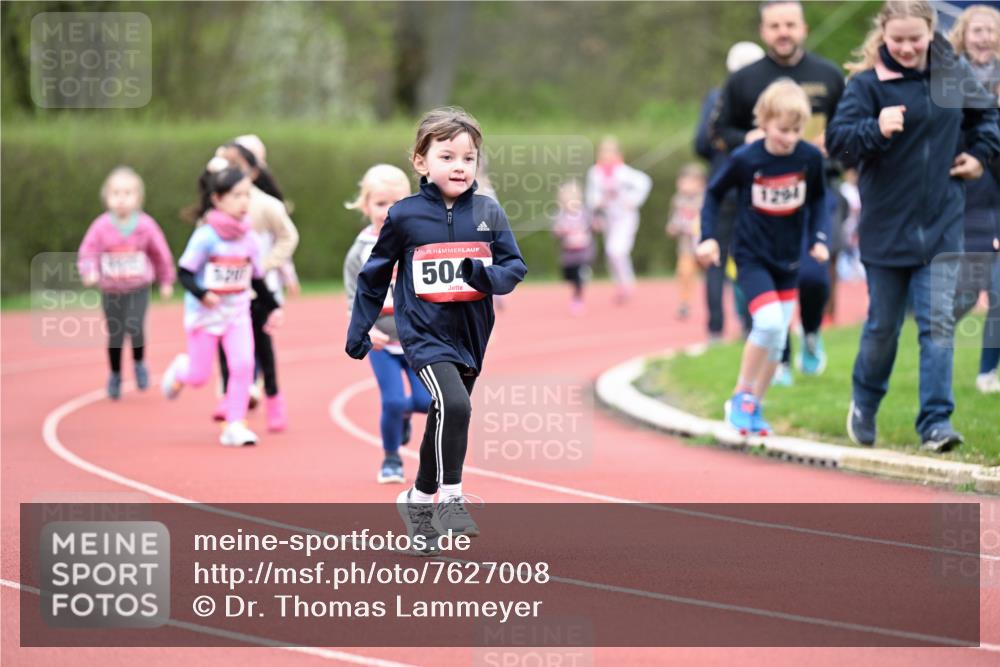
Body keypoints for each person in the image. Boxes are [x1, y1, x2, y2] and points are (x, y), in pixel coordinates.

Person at [346, 107, 526, 554]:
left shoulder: (488, 211)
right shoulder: (405, 216)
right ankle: (450, 498)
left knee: (445, 415)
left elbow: (514, 267)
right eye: (447, 157)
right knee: (456, 406)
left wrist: (484, 276)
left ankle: (417, 501)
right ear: (421, 162)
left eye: (469, 158)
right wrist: (359, 328)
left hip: (471, 333)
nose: (460, 166)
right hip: (423, 332)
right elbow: (373, 275)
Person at [827, 0, 1000, 451]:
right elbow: (838, 145)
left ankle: (936, 423)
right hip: (886, 229)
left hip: (942, 224)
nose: (906, 48)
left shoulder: (952, 75)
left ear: (931, 34)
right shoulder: (867, 85)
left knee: (937, 326)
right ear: (883, 36)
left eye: (915, 39)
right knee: (883, 328)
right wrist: (875, 129)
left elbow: (988, 116)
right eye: (897, 40)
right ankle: (865, 402)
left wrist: (979, 155)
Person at [711, 0, 846, 378]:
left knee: (814, 274)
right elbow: (717, 132)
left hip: (816, 187)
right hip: (763, 194)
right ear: (763, 31)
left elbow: (850, 129)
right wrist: (748, 138)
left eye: (790, 24)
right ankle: (780, 357)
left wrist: (833, 144)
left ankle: (812, 332)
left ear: (803, 28)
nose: (783, 32)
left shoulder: (828, 75)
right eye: (775, 26)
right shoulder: (744, 80)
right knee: (773, 275)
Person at [697, 79, 830, 436]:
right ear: (765, 123)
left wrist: (819, 237)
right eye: (783, 130)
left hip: (789, 259)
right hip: (752, 257)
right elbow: (713, 194)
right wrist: (708, 238)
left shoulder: (809, 158)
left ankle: (755, 405)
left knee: (778, 341)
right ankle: (740, 396)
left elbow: (820, 199)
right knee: (769, 324)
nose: (790, 138)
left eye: (797, 131)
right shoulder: (746, 159)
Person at [161, 158, 283, 447]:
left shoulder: (250, 238)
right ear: (217, 199)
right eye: (236, 196)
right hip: (205, 316)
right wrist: (203, 293)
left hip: (236, 314)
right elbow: (185, 273)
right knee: (199, 376)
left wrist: (274, 307)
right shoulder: (206, 236)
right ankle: (181, 369)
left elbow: (256, 279)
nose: (244, 202)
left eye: (247, 195)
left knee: (243, 365)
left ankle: (234, 425)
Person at [344, 164, 433, 483]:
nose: (387, 211)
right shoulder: (360, 251)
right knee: (392, 400)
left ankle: (405, 414)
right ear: (366, 205)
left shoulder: (418, 240)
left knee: (427, 401)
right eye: (380, 203)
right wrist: (366, 330)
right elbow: (353, 298)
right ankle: (391, 458)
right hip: (381, 342)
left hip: (416, 339)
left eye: (396, 203)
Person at [213, 139, 299, 431]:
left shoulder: (265, 205)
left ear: (252, 172)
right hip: (226, 292)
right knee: (226, 346)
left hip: (259, 291)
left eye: (235, 165)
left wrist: (266, 265)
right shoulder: (214, 209)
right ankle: (228, 398)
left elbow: (288, 236)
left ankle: (273, 399)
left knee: (262, 347)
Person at [78, 167, 175, 399]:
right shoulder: (101, 226)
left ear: (138, 198)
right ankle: (115, 374)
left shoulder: (146, 226)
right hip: (111, 290)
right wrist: (89, 271)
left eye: (127, 193)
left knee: (136, 326)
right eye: (116, 193)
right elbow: (88, 252)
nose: (121, 199)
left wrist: (166, 280)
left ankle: (139, 362)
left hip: (138, 288)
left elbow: (160, 254)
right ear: (107, 197)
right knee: (115, 333)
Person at [695, 40, 766, 340]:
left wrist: (721, 154)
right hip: (754, 187)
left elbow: (700, 144)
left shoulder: (716, 97)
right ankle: (752, 324)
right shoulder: (766, 100)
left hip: (723, 185)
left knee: (715, 258)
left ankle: (715, 328)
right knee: (751, 256)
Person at [950, 4, 1000, 394]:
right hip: (963, 196)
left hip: (996, 196)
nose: (984, 37)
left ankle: (987, 372)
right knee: (964, 294)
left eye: (990, 30)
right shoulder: (947, 81)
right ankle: (934, 346)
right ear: (963, 36)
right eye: (976, 30)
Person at [585, 136, 652, 304]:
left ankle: (627, 284)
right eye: (603, 151)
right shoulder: (595, 172)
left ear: (617, 153)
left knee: (617, 251)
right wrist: (597, 206)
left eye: (610, 151)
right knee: (611, 253)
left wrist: (632, 200)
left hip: (625, 218)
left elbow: (644, 182)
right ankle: (621, 285)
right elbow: (591, 196)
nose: (606, 155)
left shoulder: (624, 172)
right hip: (608, 218)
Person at [666, 164, 707, 320]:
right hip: (686, 246)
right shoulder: (677, 200)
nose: (685, 185)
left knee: (714, 277)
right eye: (682, 181)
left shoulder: (706, 199)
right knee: (684, 273)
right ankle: (684, 303)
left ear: (700, 184)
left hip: (704, 245)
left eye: (690, 182)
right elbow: (673, 220)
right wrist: (672, 227)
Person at [552, 179, 596, 315]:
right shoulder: (560, 215)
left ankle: (578, 298)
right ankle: (582, 275)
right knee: (568, 275)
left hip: (583, 250)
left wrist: (596, 224)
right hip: (568, 252)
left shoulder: (585, 213)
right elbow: (555, 231)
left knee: (578, 276)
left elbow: (594, 224)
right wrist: (560, 230)